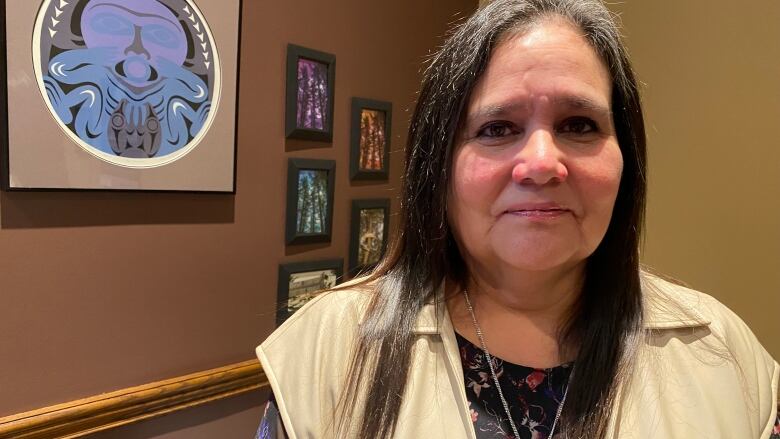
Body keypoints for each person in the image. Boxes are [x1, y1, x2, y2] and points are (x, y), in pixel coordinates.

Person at [256, 0, 780, 437]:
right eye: (497, 128)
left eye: (579, 124)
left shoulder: (725, 356)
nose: (541, 164)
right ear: (437, 166)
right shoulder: (325, 353)